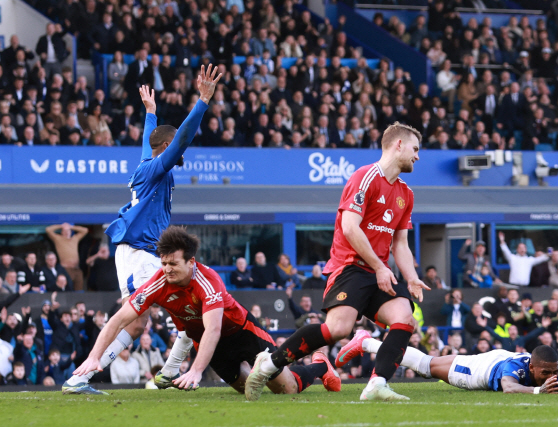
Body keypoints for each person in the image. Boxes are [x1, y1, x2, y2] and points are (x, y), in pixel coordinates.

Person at [63, 65, 221, 395]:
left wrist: (151, 112)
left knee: (135, 322)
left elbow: (152, 142)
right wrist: (203, 102)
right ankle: (170, 370)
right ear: (164, 148)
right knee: (182, 303)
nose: (182, 150)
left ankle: (81, 378)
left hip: (132, 250)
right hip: (142, 253)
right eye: (175, 146)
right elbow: (180, 138)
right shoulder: (157, 169)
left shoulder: (145, 165)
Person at [244, 122, 428, 402]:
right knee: (337, 330)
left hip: (378, 271)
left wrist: (411, 277)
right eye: (415, 149)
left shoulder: (406, 194)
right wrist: (380, 267)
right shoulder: (364, 177)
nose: (418, 156)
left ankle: (377, 384)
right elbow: (350, 227)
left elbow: (400, 243)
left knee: (405, 319)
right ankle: (269, 363)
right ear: (398, 145)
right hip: (350, 267)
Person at [74, 227, 340, 395]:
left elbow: (213, 328)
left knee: (286, 389)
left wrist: (195, 371)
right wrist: (94, 358)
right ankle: (267, 373)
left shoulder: (208, 280)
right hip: (214, 347)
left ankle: (319, 365)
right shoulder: (157, 282)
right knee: (249, 389)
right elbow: (119, 319)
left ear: (191, 261)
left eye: (173, 264)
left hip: (242, 332)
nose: (167, 269)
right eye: (164, 263)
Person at [337, 339, 558, 393]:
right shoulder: (518, 371)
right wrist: (537, 390)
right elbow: (511, 388)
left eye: (554, 372)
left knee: (427, 360)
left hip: (492, 356)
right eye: (546, 373)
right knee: (426, 367)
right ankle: (367, 342)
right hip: (482, 369)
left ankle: (367, 341)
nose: (552, 377)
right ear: (534, 365)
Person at [45, 223, 89, 291]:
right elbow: (48, 230)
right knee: (68, 289)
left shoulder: (75, 238)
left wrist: (71, 227)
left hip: (76, 269)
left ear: (71, 232)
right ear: (62, 232)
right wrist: (61, 226)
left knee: (79, 290)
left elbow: (85, 230)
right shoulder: (58, 239)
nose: (66, 232)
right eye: (64, 231)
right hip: (66, 269)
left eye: (68, 231)